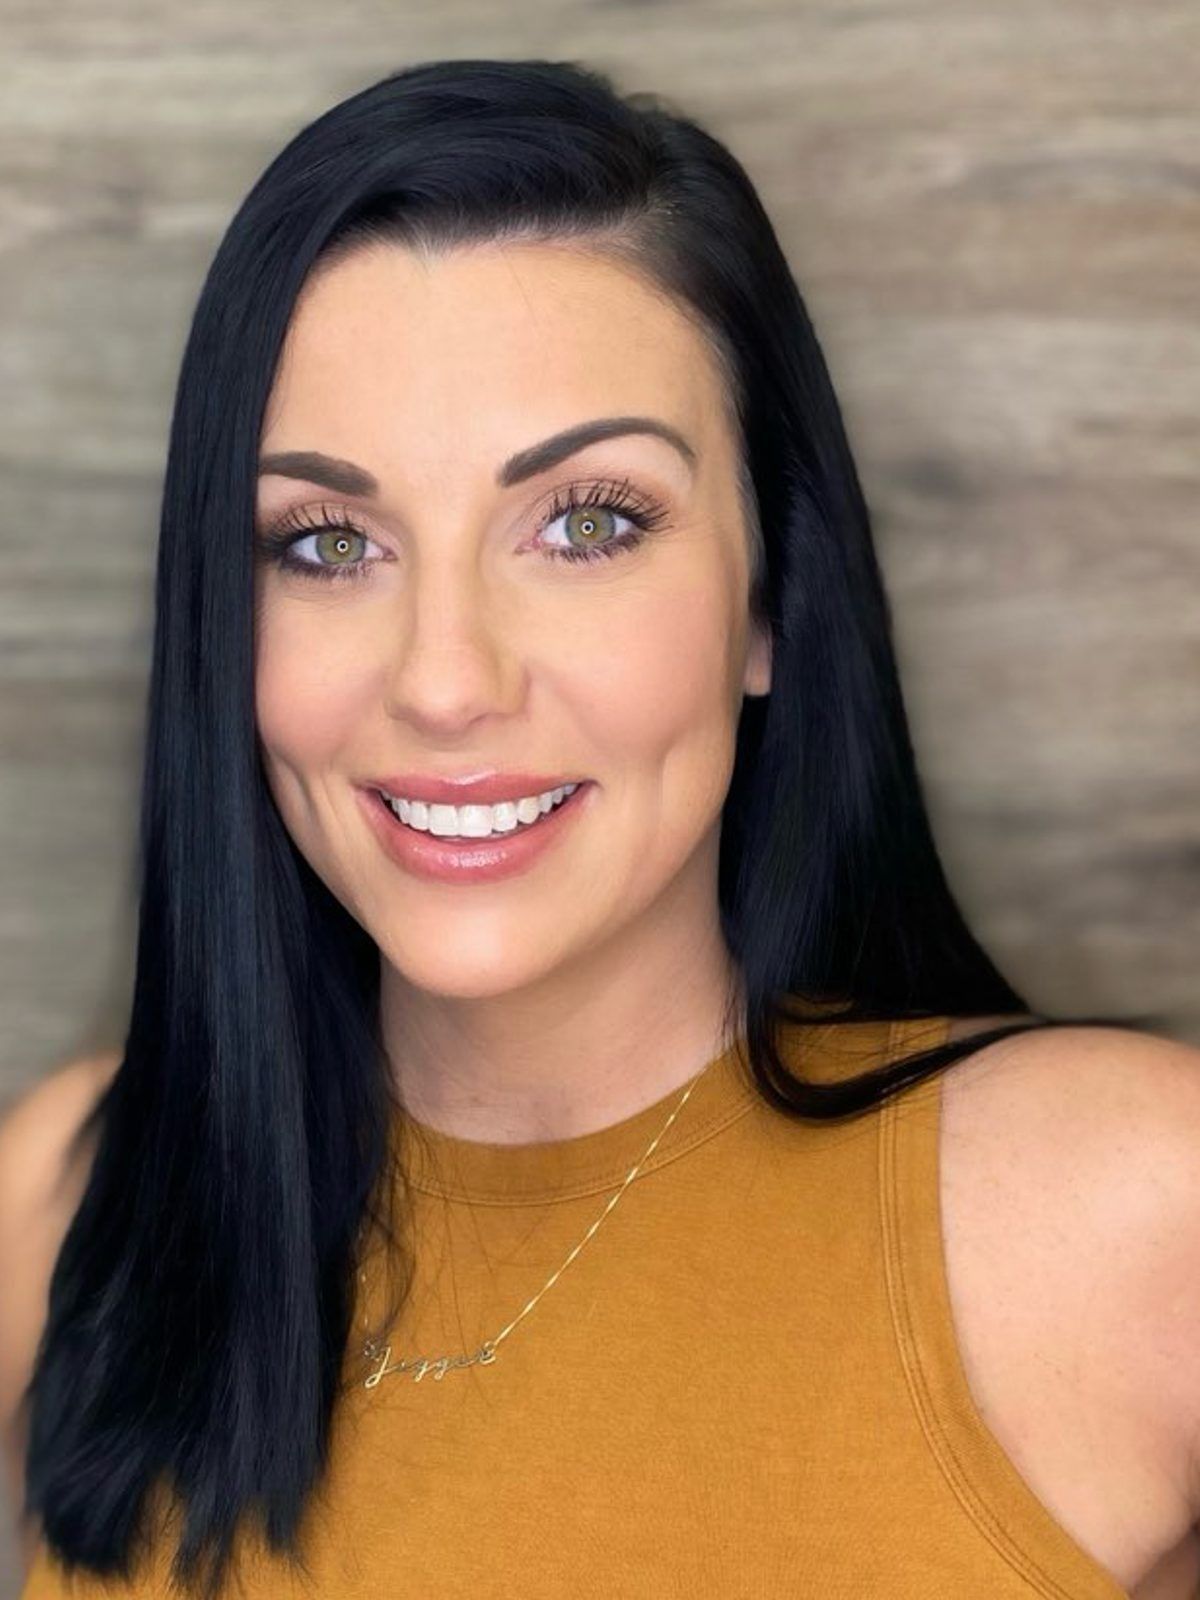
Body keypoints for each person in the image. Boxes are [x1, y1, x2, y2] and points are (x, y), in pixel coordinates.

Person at [1, 56, 1197, 1600]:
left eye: (587, 523)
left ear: (770, 599)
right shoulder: (84, 1196)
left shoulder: (1129, 1211)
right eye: (328, 541)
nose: (444, 682)